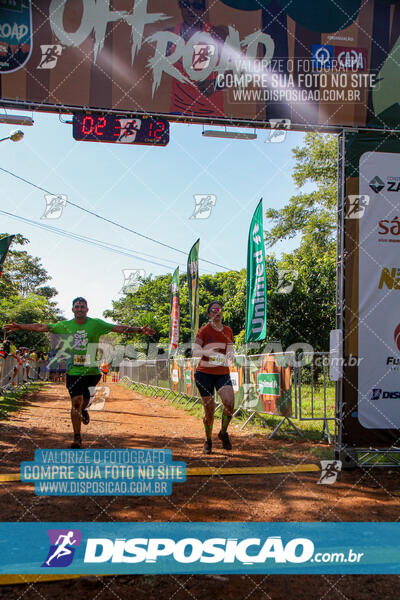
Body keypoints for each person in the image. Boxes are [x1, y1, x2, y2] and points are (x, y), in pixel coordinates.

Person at [5, 297, 155, 449]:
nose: (79, 309)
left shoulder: (96, 324)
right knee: (76, 401)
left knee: (85, 401)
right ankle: (77, 437)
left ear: (87, 309)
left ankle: (84, 410)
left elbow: (116, 328)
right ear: (72, 309)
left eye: (82, 306)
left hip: (91, 371)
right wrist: (20, 326)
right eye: (77, 307)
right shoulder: (64, 325)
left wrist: (139, 330)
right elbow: (42, 327)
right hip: (73, 370)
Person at [167, 0, 228, 117]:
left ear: (204, 9)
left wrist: (216, 84)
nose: (191, 10)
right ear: (180, 6)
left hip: (212, 115)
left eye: (197, 6)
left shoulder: (218, 35)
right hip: (179, 113)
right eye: (186, 5)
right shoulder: (169, 35)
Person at [192, 301, 235, 454]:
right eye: (214, 310)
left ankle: (223, 433)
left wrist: (231, 355)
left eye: (219, 310)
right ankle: (208, 440)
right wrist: (210, 353)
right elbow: (195, 351)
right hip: (204, 374)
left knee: (229, 404)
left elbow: (230, 349)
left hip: (222, 373)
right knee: (209, 412)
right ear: (209, 314)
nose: (217, 312)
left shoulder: (228, 330)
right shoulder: (204, 330)